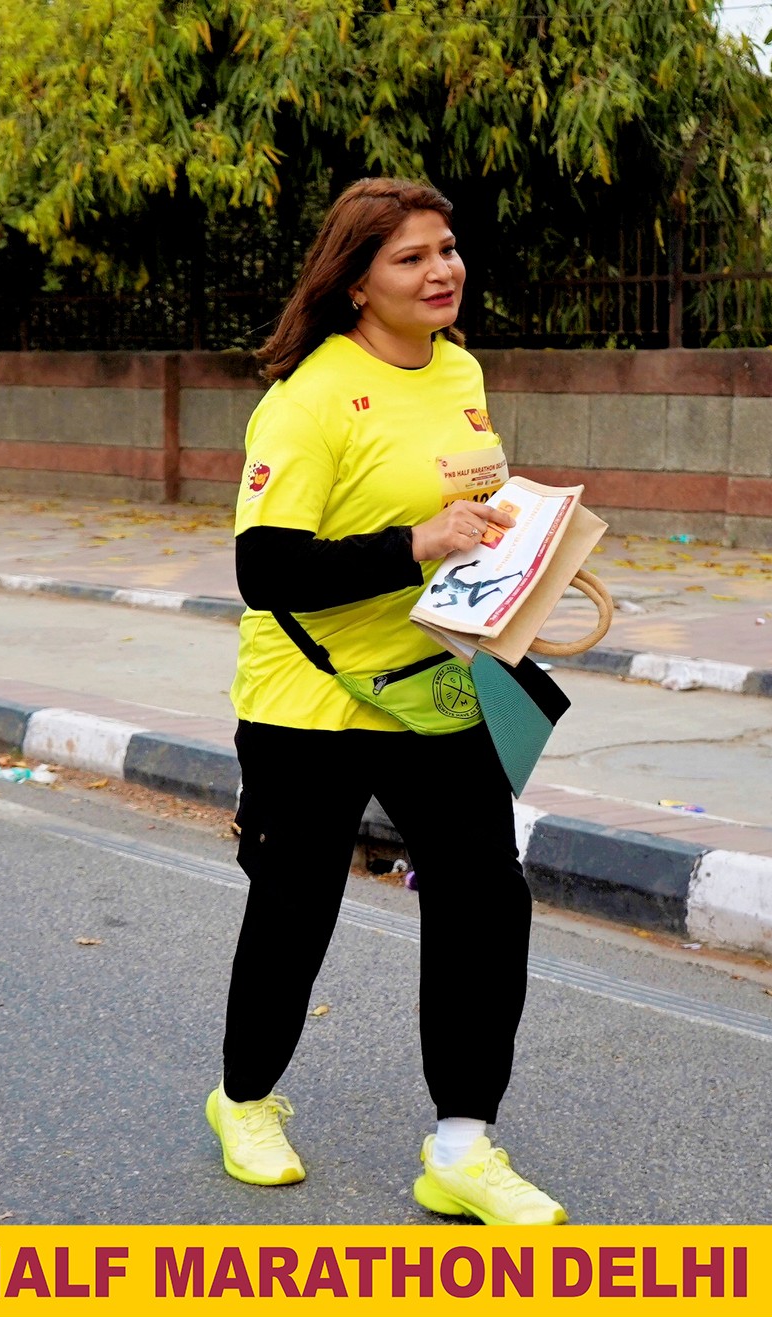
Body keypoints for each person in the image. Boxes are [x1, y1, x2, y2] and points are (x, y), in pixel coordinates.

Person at [204, 177, 567, 1226]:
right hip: (311, 701)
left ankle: (462, 1146)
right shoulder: (308, 399)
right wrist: (418, 542)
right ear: (357, 282)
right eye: (411, 257)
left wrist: (516, 546)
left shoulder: (459, 369)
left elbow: (463, 509)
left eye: (446, 248)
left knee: (484, 897)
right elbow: (264, 569)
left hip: (436, 686)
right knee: (295, 906)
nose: (441, 270)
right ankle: (244, 1101)